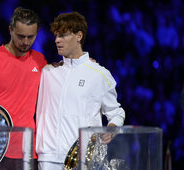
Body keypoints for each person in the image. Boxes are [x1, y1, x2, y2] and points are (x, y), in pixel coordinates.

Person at [35, 11, 126, 170]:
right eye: (56, 36)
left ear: (79, 36)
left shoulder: (99, 74)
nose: (57, 40)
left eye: (63, 35)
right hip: (47, 158)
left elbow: (116, 112)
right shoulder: (47, 72)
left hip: (82, 159)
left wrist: (111, 129)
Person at [0, 7, 47, 170]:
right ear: (10, 30)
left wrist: (84, 61)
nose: (25, 42)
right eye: (21, 36)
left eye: (30, 37)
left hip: (28, 153)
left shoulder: (40, 61)